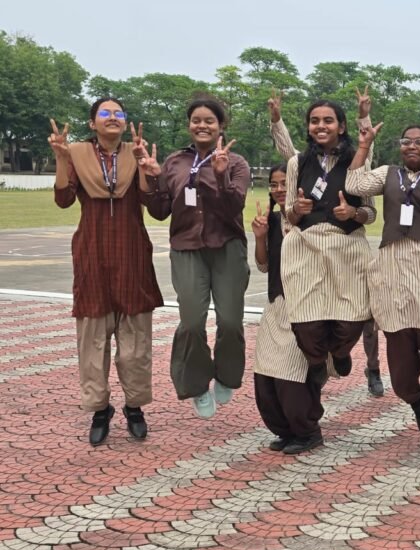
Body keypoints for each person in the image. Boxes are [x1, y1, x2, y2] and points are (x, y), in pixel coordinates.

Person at [49, 99, 164, 445]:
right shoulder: (78, 153)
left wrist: (147, 169)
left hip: (131, 255)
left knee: (136, 344)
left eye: (118, 113)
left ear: (125, 122)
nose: (112, 117)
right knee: (92, 339)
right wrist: (61, 159)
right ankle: (100, 409)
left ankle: (134, 406)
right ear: (92, 123)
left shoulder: (135, 151)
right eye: (105, 113)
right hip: (92, 255)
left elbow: (156, 208)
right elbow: (63, 200)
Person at [346, 124, 420, 451]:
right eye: (406, 141)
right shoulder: (388, 174)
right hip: (394, 274)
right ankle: (415, 400)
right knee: (400, 364)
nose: (412, 146)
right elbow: (353, 183)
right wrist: (364, 145)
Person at [267, 89, 384, 397]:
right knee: (306, 323)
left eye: (328, 120)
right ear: (308, 127)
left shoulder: (357, 161)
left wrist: (353, 213)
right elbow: (290, 213)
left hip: (347, 249)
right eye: (315, 121)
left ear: (341, 126)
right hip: (306, 248)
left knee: (350, 322)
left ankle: (341, 352)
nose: (321, 126)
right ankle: (317, 360)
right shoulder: (298, 163)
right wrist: (297, 208)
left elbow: (371, 213)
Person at [152, 97, 250, 419]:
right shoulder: (175, 162)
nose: (202, 125)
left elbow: (234, 207)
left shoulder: (236, 163)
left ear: (221, 126)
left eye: (210, 120)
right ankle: (195, 384)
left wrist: (220, 176)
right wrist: (150, 179)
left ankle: (227, 375)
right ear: (189, 125)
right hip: (187, 247)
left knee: (231, 321)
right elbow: (159, 210)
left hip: (227, 247)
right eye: (196, 120)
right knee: (192, 322)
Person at [251, 165, 326, 454]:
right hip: (276, 305)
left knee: (291, 375)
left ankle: (307, 432)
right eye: (274, 184)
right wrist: (260, 237)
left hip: (305, 307)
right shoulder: (271, 221)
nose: (279, 189)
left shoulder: (313, 219)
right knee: (264, 374)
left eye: (285, 183)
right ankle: (285, 430)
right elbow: (263, 265)